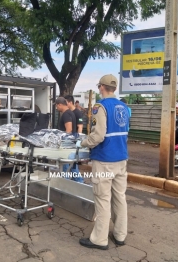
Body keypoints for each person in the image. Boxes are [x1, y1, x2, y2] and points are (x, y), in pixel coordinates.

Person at [77, 74, 130, 250]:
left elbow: (98, 136)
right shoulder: (123, 107)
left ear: (101, 87)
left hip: (105, 159)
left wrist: (83, 142)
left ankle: (99, 239)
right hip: (121, 158)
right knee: (119, 198)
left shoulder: (100, 107)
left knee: (102, 199)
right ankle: (120, 235)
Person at [55, 97, 84, 183]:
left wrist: (63, 143)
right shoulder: (71, 113)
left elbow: (69, 129)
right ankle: (79, 183)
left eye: (57, 106)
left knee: (65, 166)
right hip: (72, 143)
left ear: (60, 104)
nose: (56, 108)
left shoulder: (66, 114)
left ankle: (65, 184)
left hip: (67, 145)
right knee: (73, 165)